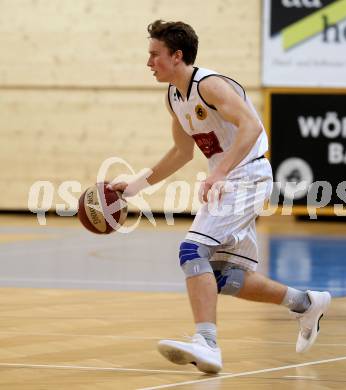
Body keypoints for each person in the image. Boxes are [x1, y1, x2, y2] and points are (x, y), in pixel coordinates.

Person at [108, 20, 331, 374]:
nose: (148, 62)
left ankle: (206, 343)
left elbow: (252, 127)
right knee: (223, 275)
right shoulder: (174, 96)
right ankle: (305, 303)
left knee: (192, 250)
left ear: (176, 56)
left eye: (154, 55)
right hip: (230, 178)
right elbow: (181, 152)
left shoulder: (209, 84)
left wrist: (220, 170)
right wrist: (135, 186)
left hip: (248, 175)